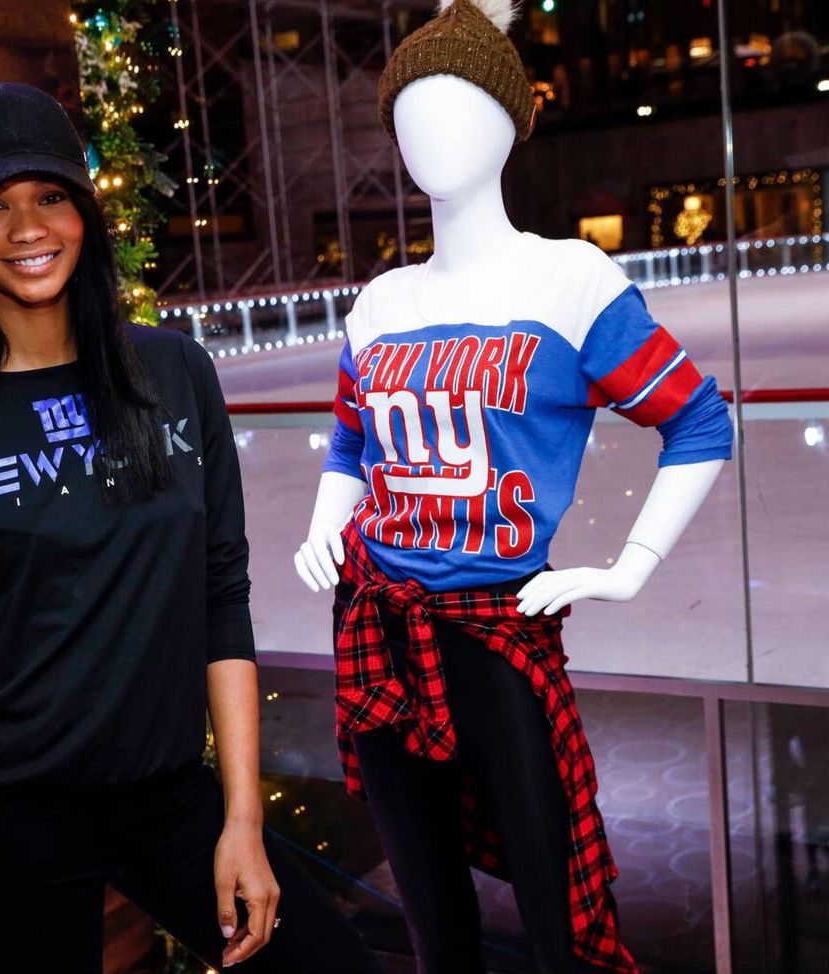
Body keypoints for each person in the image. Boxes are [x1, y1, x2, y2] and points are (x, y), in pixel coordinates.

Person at [0, 81, 383, 974]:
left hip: (169, 795)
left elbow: (223, 593)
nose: (28, 229)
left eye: (50, 196)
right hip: (10, 812)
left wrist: (243, 825)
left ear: (84, 207)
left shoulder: (173, 375)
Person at [293, 1, 736, 972]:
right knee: (429, 911)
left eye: (458, 108)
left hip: (502, 627)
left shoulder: (568, 280)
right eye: (411, 114)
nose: (433, 133)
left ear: (510, 123)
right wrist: (324, 524)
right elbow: (348, 442)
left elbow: (700, 420)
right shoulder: (380, 302)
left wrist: (627, 564)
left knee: (555, 901)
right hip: (376, 618)